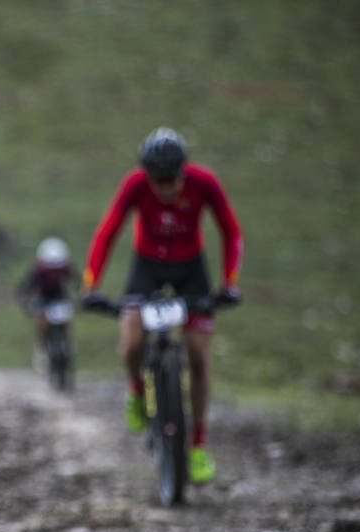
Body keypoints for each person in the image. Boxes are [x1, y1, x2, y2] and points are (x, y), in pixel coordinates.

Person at [80, 127, 242, 484]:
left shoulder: (205, 183)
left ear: (184, 171)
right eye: (158, 181)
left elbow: (230, 230)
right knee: (132, 342)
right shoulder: (135, 185)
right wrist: (91, 285)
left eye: (172, 180)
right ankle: (137, 390)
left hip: (190, 269)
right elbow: (107, 231)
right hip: (148, 267)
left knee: (198, 358)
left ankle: (197, 445)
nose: (166, 189)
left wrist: (230, 283)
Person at [16, 236, 74, 370]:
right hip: (43, 298)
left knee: (67, 319)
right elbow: (25, 287)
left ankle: (68, 344)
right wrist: (26, 302)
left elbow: (77, 282)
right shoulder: (37, 271)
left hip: (60, 297)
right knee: (41, 321)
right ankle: (41, 347)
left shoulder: (66, 268)